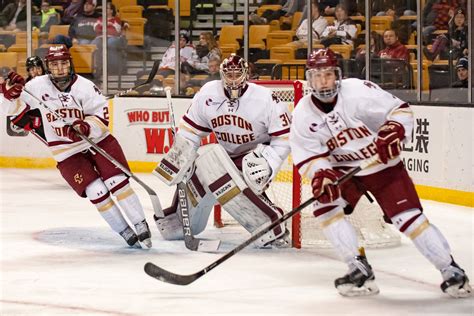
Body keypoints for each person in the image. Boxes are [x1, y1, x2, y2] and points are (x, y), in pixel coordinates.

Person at [289, 48, 472, 298]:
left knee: (408, 219)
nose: (323, 81)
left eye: (328, 75)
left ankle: (452, 271)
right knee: (325, 205)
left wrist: (394, 129)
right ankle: (358, 269)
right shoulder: (303, 113)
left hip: (382, 166)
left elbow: (400, 111)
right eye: (318, 76)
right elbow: (307, 153)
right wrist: (322, 174)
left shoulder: (358, 92)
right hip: (345, 171)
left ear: (338, 75)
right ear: (309, 79)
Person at [0, 45, 153, 248]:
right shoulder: (37, 86)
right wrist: (9, 95)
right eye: (55, 64)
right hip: (66, 151)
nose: (60, 68)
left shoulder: (85, 86)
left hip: (98, 142)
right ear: (48, 66)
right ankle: (124, 230)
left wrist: (86, 126)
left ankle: (140, 224)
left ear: (70, 63)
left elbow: (102, 115)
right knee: (96, 191)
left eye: (63, 63)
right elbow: (10, 111)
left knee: (117, 182)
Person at [153, 54, 292, 248]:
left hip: (253, 158)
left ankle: (271, 226)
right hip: (225, 155)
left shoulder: (266, 99)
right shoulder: (208, 93)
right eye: (229, 75)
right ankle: (179, 221)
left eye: (237, 74)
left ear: (246, 75)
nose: (233, 79)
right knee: (200, 169)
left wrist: (270, 163)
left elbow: (285, 138)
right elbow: (190, 130)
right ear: (221, 75)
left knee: (225, 179)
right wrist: (182, 155)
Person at [92, 2, 127, 75]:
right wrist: (105, 26)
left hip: (113, 38)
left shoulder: (116, 19)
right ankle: (98, 68)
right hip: (100, 37)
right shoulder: (99, 19)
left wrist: (109, 25)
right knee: (94, 44)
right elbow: (96, 29)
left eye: (107, 8)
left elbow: (117, 30)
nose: (104, 10)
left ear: (111, 10)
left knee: (109, 44)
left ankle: (113, 69)